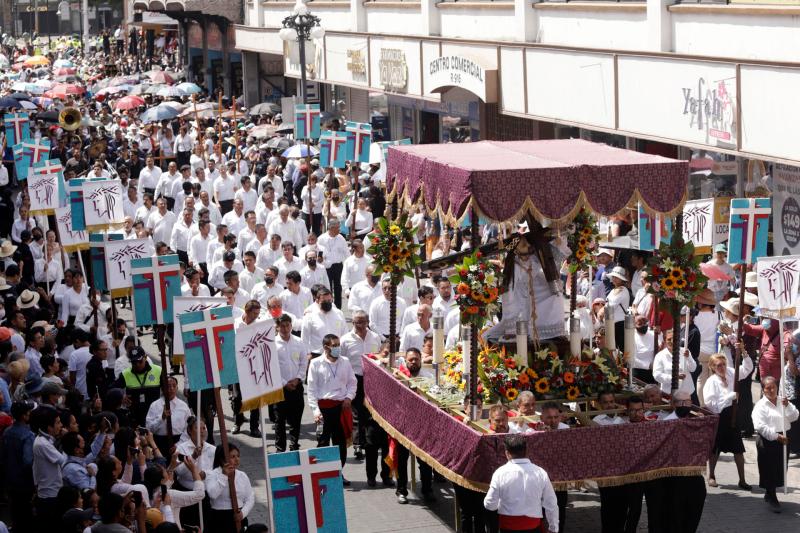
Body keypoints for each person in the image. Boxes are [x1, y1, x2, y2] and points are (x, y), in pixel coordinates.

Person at [484, 434, 560, 533]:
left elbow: (490, 505)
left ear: (507, 453)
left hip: (508, 526)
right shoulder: (540, 472)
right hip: (533, 525)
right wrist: (553, 528)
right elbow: (551, 503)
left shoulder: (500, 473)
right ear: (526, 452)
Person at [307, 334, 357, 475]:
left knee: (340, 444)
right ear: (325, 347)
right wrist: (316, 411)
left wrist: (349, 397)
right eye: (334, 345)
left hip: (341, 408)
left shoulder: (345, 361)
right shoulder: (316, 363)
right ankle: (322, 475)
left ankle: (338, 474)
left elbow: (353, 383)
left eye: (338, 345)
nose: (337, 348)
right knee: (323, 444)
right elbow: (311, 389)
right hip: (324, 409)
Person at [703, 352, 752, 489]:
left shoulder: (731, 372)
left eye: (724, 364)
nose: (722, 367)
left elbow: (747, 370)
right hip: (720, 417)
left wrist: (745, 354)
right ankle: (711, 475)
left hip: (734, 415)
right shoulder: (711, 382)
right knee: (715, 448)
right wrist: (729, 397)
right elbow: (711, 404)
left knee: (738, 449)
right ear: (713, 367)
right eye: (719, 365)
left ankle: (742, 480)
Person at [752, 375, 799, 512]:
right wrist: (776, 436)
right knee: (769, 468)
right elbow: (760, 426)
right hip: (768, 440)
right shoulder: (760, 406)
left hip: (784, 439)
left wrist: (788, 405)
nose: (771, 390)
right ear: (763, 390)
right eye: (768, 388)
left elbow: (794, 416)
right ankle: (772, 496)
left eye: (774, 387)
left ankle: (769, 492)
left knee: (780, 468)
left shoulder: (782, 401)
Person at [274, 314, 309, 452]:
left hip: (296, 386)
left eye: (287, 325)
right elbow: (272, 366)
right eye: (282, 325)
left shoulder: (298, 342)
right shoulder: (272, 343)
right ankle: (280, 447)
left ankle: (294, 443)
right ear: (277, 327)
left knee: (296, 417)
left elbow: (303, 362)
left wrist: (298, 379)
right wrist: (284, 383)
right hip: (280, 387)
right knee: (279, 419)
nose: (285, 328)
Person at [2, 400, 36, 532]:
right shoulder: (28, 435)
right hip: (24, 483)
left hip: (10, 481)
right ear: (24, 416)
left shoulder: (7, 432)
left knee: (15, 513)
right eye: (28, 412)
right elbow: (28, 461)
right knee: (26, 516)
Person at [32, 405, 67, 530]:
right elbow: (63, 461)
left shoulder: (42, 440)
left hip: (47, 493)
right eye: (57, 423)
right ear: (49, 427)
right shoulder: (43, 444)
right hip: (50, 497)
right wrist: (67, 439)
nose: (61, 425)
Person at [206, 444, 255, 530]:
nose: (237, 459)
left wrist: (243, 513)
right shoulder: (212, 474)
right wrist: (224, 476)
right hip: (219, 518)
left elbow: (250, 497)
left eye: (238, 456)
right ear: (222, 460)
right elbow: (212, 494)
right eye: (233, 457)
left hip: (239, 517)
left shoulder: (242, 475)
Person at [145, 376, 191, 458]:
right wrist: (161, 418)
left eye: (174, 386)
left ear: (177, 387)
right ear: (162, 388)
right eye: (168, 386)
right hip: (159, 442)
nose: (172, 389)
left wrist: (178, 445)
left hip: (179, 441)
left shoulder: (183, 406)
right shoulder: (154, 405)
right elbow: (149, 428)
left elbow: (188, 429)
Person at [653, 329, 697, 396]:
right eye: (669, 339)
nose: (672, 341)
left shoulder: (685, 351)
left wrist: (689, 358)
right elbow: (657, 375)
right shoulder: (660, 356)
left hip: (687, 392)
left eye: (674, 339)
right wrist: (674, 377)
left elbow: (693, 369)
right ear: (665, 341)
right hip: (669, 393)